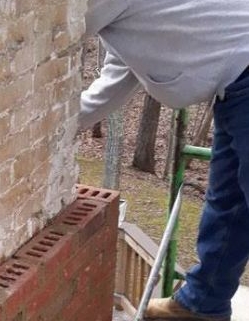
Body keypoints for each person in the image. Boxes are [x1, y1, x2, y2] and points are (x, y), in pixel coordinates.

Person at [81, 0, 249, 320]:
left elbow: (50, 34)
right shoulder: (127, 19)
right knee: (229, 202)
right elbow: (113, 84)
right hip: (234, 88)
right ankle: (202, 302)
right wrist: (53, 124)